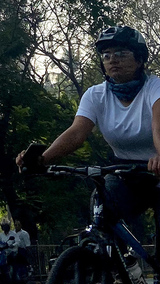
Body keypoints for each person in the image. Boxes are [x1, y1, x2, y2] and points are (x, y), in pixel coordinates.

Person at [17, 25, 160, 224]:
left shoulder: (154, 87)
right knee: (102, 207)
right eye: (106, 55)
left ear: (140, 59)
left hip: (157, 167)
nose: (113, 59)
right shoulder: (96, 95)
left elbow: (158, 125)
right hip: (123, 170)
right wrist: (42, 159)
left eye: (121, 53)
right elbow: (76, 134)